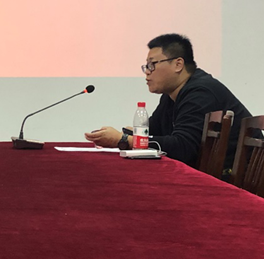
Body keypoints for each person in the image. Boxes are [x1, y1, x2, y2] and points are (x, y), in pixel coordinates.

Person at [85, 33, 254, 171]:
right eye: (146, 66)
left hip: (235, 183)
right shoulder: (172, 95)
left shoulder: (201, 92)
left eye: (152, 65)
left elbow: (183, 147)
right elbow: (153, 133)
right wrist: (129, 135)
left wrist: (123, 140)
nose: (147, 72)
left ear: (178, 64)